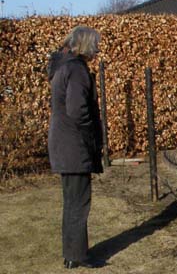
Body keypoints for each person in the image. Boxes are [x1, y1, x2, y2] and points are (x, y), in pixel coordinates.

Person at [48, 26, 104, 269]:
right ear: (86, 46)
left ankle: (72, 254)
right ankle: (77, 255)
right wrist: (91, 134)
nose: (98, 50)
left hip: (63, 143)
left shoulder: (63, 67)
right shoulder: (77, 70)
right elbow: (78, 110)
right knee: (79, 202)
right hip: (74, 145)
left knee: (72, 201)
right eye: (96, 45)